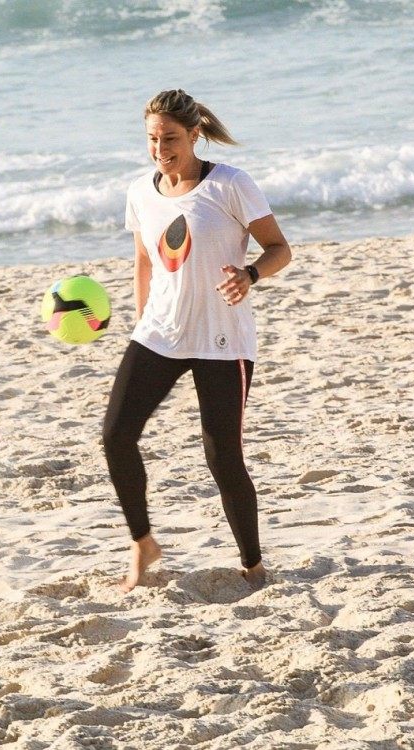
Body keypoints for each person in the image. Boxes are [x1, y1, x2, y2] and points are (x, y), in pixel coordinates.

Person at [103, 90, 292, 593]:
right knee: (116, 435)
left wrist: (250, 275)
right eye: (152, 139)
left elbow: (280, 249)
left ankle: (253, 565)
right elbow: (144, 262)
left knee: (222, 455)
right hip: (160, 333)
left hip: (221, 339)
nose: (161, 149)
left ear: (195, 135)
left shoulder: (230, 184)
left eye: (171, 138)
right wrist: (142, 325)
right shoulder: (140, 192)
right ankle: (142, 540)